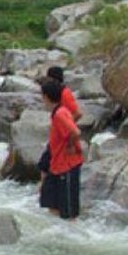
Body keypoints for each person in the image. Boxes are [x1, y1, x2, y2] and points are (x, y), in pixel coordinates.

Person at [39, 79, 84, 220]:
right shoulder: (59, 111)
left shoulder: (60, 114)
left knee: (68, 213)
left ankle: (71, 229)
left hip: (67, 166)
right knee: (50, 202)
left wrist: (70, 145)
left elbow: (76, 132)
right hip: (57, 165)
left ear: (46, 97)